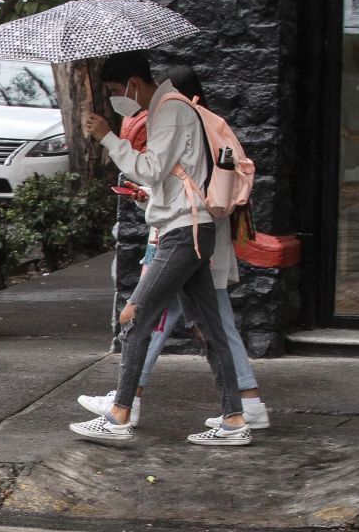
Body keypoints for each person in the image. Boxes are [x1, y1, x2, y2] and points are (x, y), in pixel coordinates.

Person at [69, 51, 251, 446]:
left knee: (135, 315)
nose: (119, 99)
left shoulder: (169, 111)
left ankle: (119, 414)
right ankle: (234, 418)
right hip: (191, 227)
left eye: (118, 91)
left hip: (183, 231)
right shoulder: (174, 109)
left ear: (133, 83)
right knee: (209, 328)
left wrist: (107, 138)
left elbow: (149, 168)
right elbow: (167, 174)